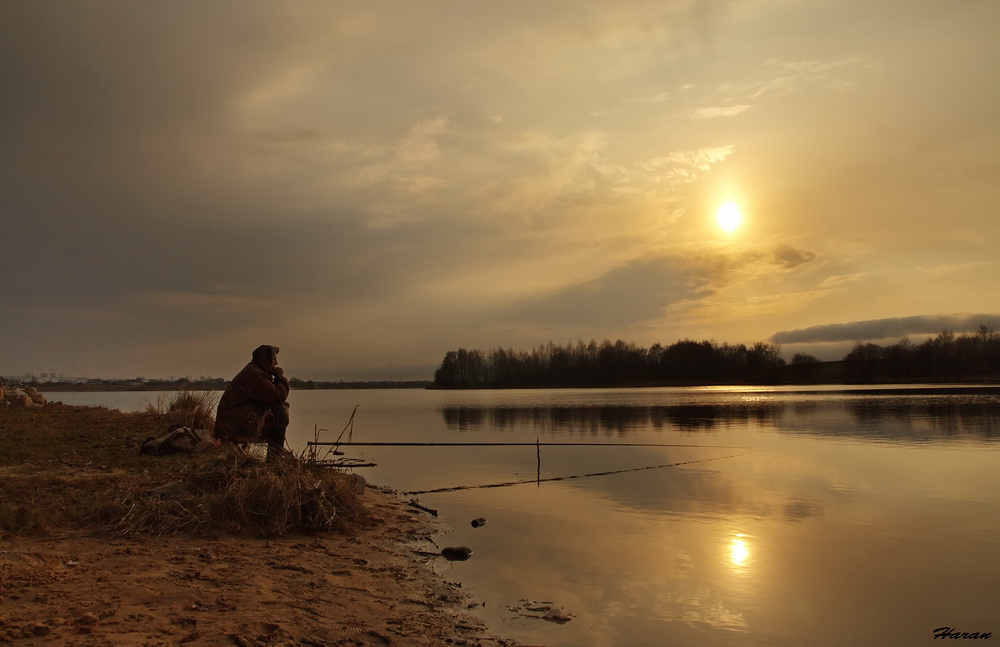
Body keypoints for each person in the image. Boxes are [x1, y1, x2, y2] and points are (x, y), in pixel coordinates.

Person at [214, 345, 290, 461]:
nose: (276, 362)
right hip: (232, 426)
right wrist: (280, 377)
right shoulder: (256, 375)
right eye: (274, 359)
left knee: (280, 408)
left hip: (233, 421)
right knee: (280, 412)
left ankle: (275, 451)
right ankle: (275, 457)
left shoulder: (254, 371)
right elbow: (277, 397)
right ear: (266, 360)